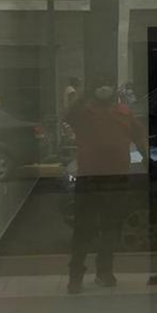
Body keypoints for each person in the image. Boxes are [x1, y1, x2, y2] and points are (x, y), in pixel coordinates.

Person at [64, 76, 148, 293]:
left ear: (113, 88)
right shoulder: (83, 112)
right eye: (99, 84)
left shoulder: (124, 113)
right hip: (90, 178)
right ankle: (75, 276)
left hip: (116, 178)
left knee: (111, 227)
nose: (104, 88)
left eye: (107, 84)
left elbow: (139, 137)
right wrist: (82, 93)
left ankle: (104, 272)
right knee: (83, 228)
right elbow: (68, 114)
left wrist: (147, 157)